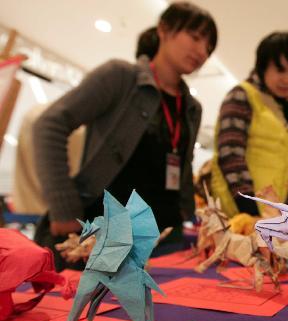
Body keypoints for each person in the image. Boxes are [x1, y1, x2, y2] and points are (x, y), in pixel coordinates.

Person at [33, 2, 217, 270]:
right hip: (104, 236)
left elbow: (183, 163)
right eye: (196, 37)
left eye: (209, 47)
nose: (202, 51)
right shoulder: (121, 78)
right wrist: (64, 206)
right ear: (164, 30)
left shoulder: (191, 107)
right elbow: (50, 125)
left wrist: (186, 213)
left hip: (166, 238)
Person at [210, 31, 288, 217]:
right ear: (262, 67)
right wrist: (249, 207)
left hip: (274, 214)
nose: (287, 79)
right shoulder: (242, 95)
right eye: (280, 70)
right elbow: (230, 154)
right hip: (239, 214)